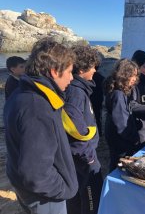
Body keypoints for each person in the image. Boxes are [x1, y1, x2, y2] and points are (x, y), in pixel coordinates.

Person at [3, 37, 78, 214]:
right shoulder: (37, 107)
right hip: (45, 198)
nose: (72, 77)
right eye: (69, 71)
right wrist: (64, 189)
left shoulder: (22, 92)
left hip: (27, 188)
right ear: (54, 71)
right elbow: (35, 174)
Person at [63, 45, 102, 214]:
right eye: (93, 65)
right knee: (91, 195)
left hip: (80, 155)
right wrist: (89, 158)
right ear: (82, 68)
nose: (95, 69)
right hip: (83, 157)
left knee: (77, 195)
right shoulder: (76, 92)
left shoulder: (78, 89)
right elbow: (74, 129)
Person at [103, 59, 140, 172]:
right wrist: (134, 138)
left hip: (116, 136)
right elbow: (122, 123)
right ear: (124, 75)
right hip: (120, 140)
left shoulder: (118, 90)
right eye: (132, 75)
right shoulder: (118, 95)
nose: (135, 79)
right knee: (118, 166)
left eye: (136, 75)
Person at [90, 66, 105, 135]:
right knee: (98, 116)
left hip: (91, 98)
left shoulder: (89, 78)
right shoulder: (101, 78)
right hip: (98, 99)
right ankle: (99, 131)